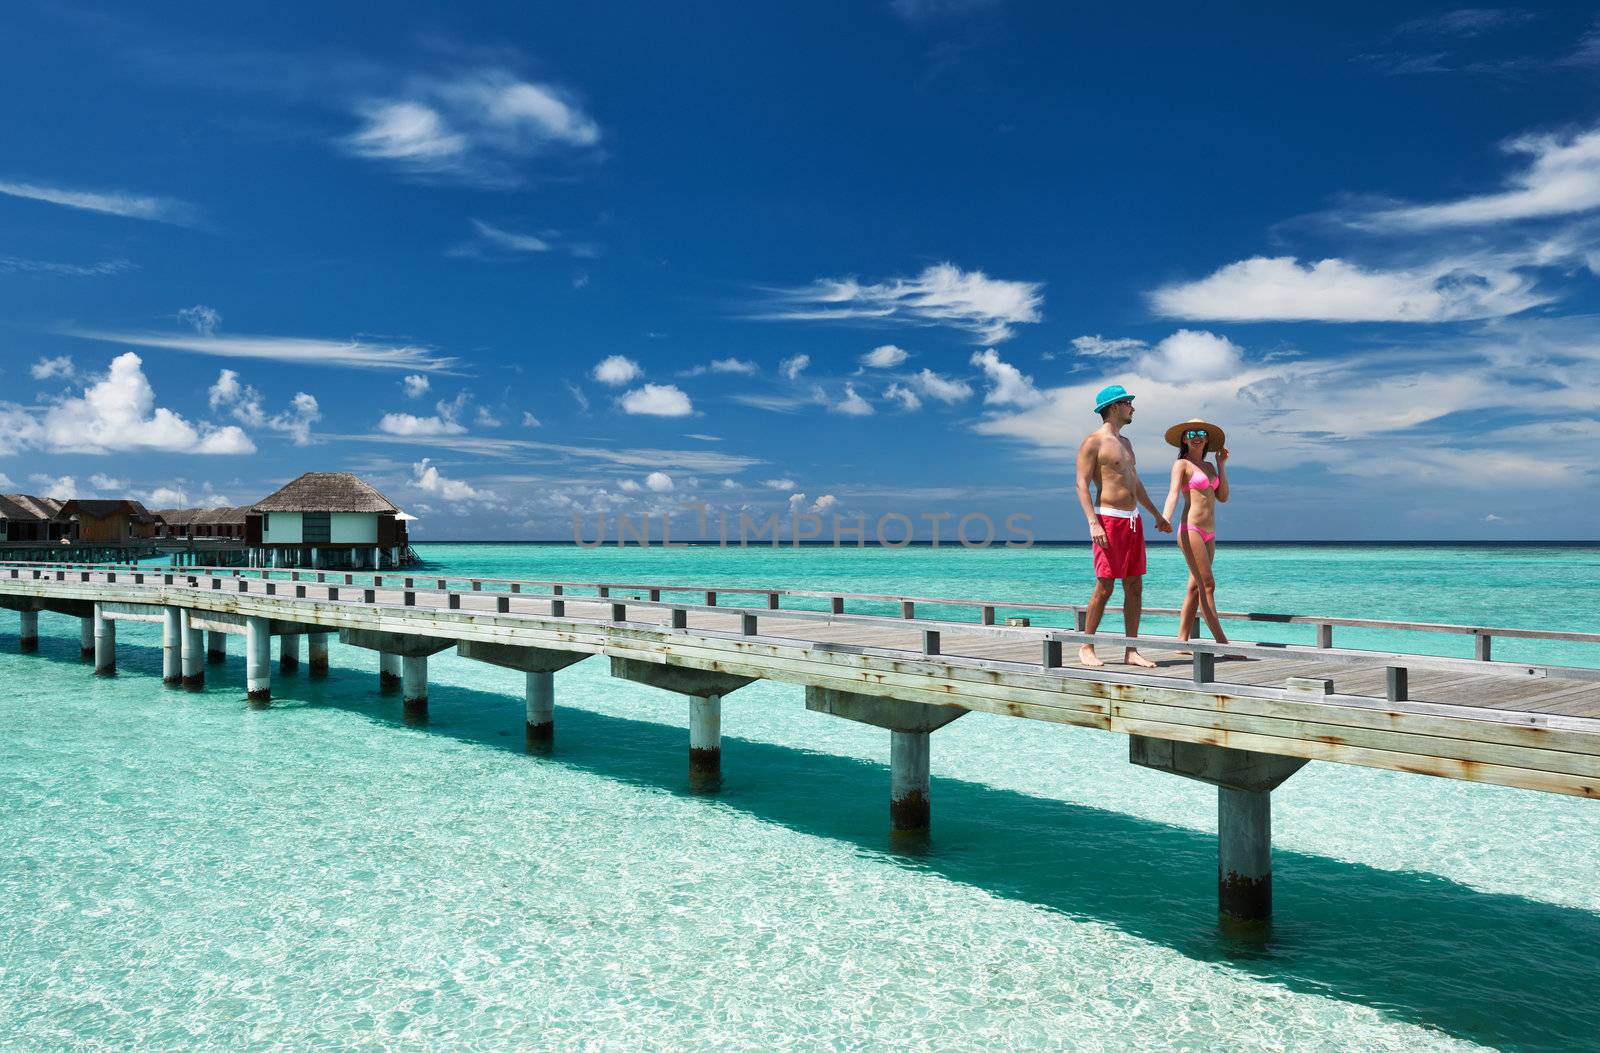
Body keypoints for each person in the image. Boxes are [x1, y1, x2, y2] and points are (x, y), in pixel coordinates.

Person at [1075, 384, 1171, 667]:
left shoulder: (1127, 444)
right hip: (1108, 519)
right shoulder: (1093, 441)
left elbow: (1135, 483)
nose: (1133, 407)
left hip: (1132, 520)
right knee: (1105, 586)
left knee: (1134, 586)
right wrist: (1093, 523)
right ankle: (1087, 646)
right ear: (1115, 407)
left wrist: (1156, 514)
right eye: (1128, 402)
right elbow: (1081, 483)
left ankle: (1131, 650)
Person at [1160, 417, 1231, 651]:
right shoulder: (1182, 464)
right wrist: (1165, 517)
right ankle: (1223, 644)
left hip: (1210, 532)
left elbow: (1222, 497)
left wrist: (1221, 465)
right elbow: (1173, 493)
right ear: (1184, 439)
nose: (1197, 436)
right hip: (1191, 530)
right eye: (1191, 434)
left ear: (1208, 438)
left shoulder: (1210, 467)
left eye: (1201, 433)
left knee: (1194, 586)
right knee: (1208, 585)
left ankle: (1182, 640)